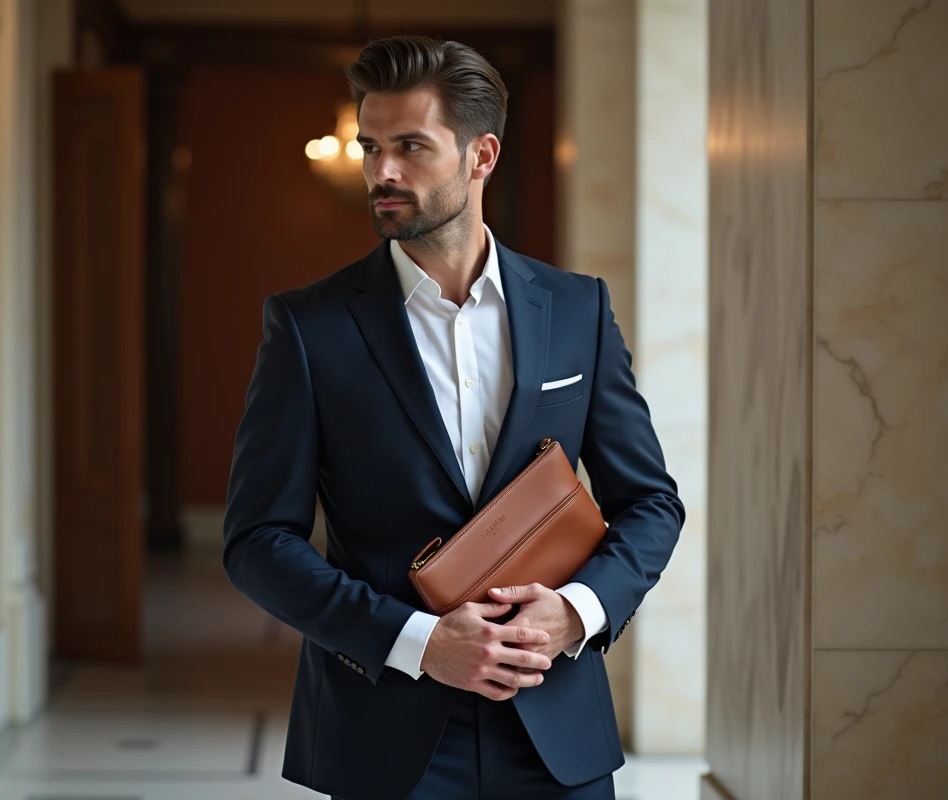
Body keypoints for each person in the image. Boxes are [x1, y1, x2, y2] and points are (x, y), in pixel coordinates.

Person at [222, 34, 684, 800]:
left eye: (410, 146)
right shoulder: (309, 327)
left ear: (482, 156)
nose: (381, 172)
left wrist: (576, 612)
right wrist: (422, 642)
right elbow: (256, 543)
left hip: (557, 733)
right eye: (371, 146)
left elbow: (651, 503)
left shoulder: (577, 311)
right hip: (385, 739)